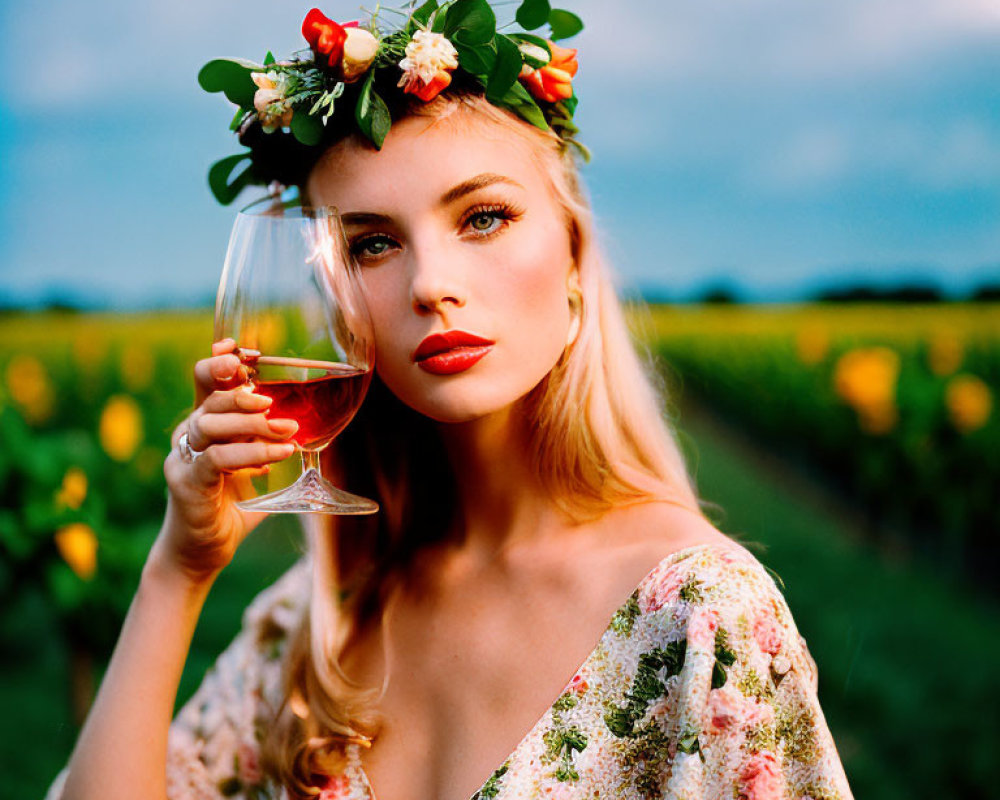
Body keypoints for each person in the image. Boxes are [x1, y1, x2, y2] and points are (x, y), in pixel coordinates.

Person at [46, 4, 855, 800]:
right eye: (373, 243)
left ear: (574, 259)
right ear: (336, 303)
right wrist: (178, 571)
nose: (431, 285)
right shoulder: (321, 616)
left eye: (485, 217)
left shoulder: (700, 619)